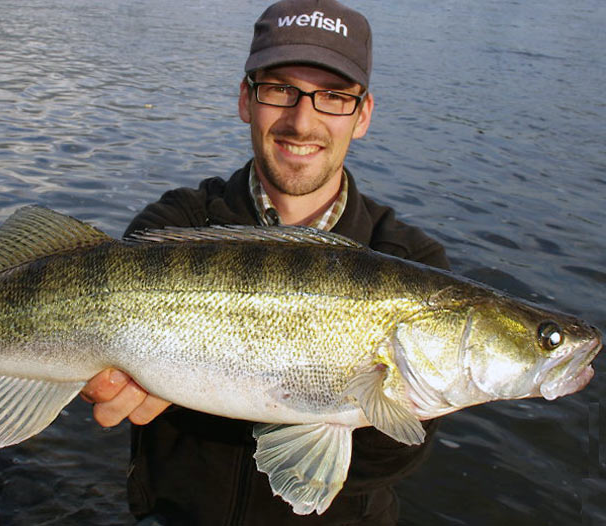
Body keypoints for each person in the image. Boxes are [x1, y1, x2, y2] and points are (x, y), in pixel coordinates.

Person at [81, 1, 449, 524]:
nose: (303, 121)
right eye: (280, 90)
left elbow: (388, 463)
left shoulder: (408, 260)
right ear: (245, 100)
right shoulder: (175, 226)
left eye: (334, 97)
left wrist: (396, 412)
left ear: (363, 115)